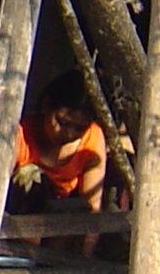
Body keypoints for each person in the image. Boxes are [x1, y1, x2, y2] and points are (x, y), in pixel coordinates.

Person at [11, 69, 107, 212]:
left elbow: (92, 208)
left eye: (79, 128)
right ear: (46, 104)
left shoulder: (91, 140)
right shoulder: (20, 134)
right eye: (62, 122)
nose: (68, 134)